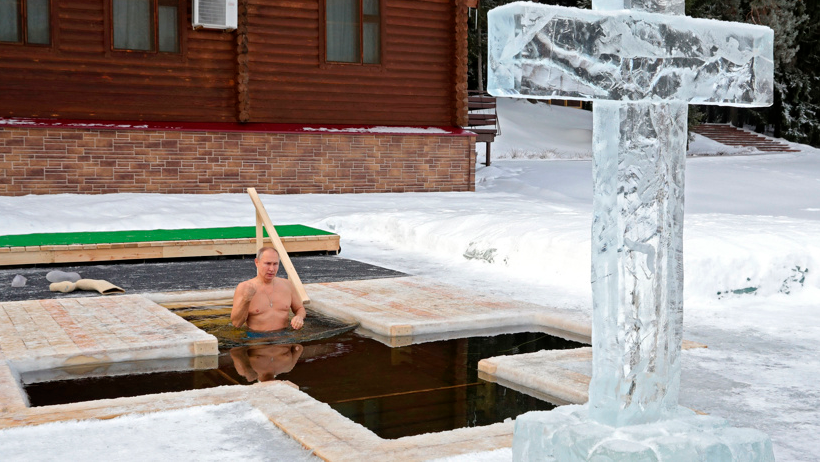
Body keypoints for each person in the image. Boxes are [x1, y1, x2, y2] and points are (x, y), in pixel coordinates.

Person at [231, 247, 305, 331]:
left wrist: (299, 317)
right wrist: (246, 300)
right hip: (257, 339)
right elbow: (236, 323)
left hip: (284, 338)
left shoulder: (287, 285)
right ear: (257, 262)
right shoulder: (244, 287)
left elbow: (300, 308)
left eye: (275, 264)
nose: (271, 269)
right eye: (268, 263)